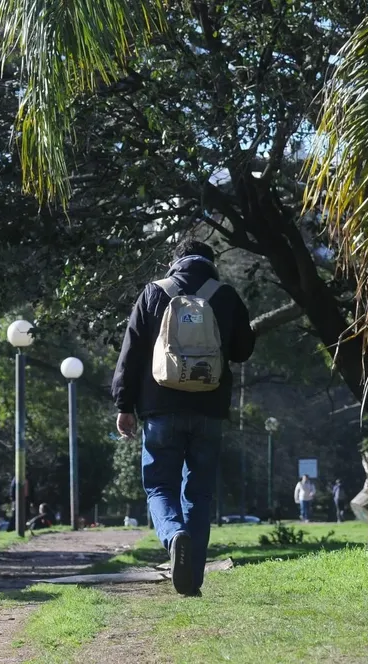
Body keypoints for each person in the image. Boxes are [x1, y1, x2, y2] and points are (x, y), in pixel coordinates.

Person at [112, 239, 255, 597]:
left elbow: (131, 351)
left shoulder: (154, 293)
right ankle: (190, 579)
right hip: (208, 408)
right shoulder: (224, 295)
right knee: (200, 494)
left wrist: (124, 405)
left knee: (160, 486)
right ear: (211, 262)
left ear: (175, 262)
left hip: (160, 409)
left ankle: (175, 535)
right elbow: (243, 350)